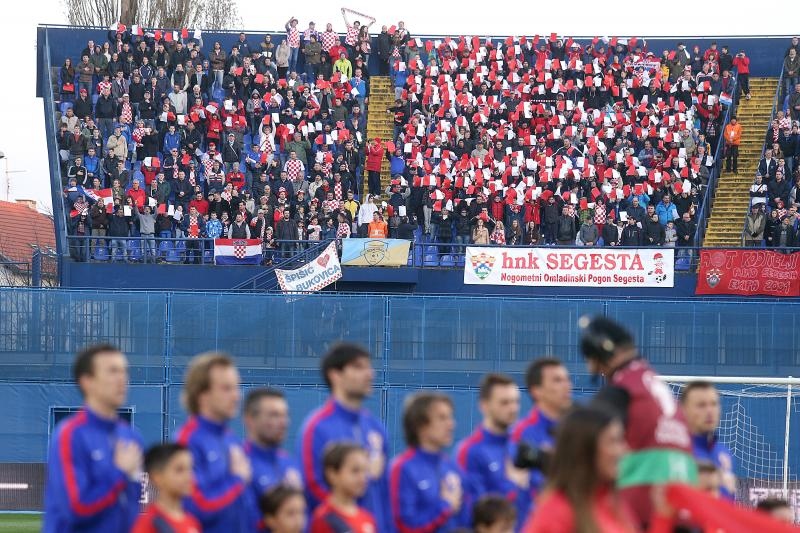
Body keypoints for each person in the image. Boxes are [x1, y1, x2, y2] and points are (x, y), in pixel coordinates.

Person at [579, 316, 697, 527]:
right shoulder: (657, 388)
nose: (600, 374)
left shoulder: (622, 391)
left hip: (641, 508)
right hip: (684, 506)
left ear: (604, 353)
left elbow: (586, 448)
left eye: (599, 367)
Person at [521, 405, 673, 532]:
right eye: (613, 441)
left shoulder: (614, 504)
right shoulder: (556, 512)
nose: (623, 450)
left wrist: (662, 517)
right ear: (584, 449)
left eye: (621, 441)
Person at [43, 344, 143, 533]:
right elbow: (76, 508)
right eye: (112, 371)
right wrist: (119, 472)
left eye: (124, 371)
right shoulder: (70, 436)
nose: (122, 379)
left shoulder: (132, 437)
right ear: (87, 381)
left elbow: (131, 506)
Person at [298, 343, 391, 533]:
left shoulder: (376, 428)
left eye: (369, 367)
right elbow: (313, 488)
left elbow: (384, 494)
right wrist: (349, 524)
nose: (369, 374)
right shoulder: (317, 428)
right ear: (335, 375)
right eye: (358, 367)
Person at [176, 352, 253, 533]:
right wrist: (237, 481)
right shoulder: (188, 441)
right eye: (227, 388)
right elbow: (195, 507)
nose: (236, 396)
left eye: (237, 387)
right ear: (202, 395)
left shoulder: (230, 439)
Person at [390, 392, 470, 532]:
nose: (451, 424)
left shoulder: (451, 468)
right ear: (420, 425)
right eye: (442, 418)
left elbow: (465, 520)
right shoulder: (402, 468)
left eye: (450, 417)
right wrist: (444, 507)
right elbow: (404, 525)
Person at [510, 358, 573, 521]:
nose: (567, 386)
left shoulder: (578, 430)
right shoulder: (521, 433)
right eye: (557, 380)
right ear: (536, 391)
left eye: (567, 379)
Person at [456, 374, 528, 513]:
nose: (513, 408)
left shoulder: (520, 447)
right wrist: (513, 486)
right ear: (484, 405)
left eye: (516, 402)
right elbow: (475, 512)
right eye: (504, 402)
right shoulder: (470, 451)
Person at [244, 387, 303, 527]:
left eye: (285, 415)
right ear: (250, 419)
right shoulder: (239, 464)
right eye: (274, 415)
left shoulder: (290, 464)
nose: (283, 423)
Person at [680, 381, 736, 501]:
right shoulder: (675, 454)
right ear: (683, 410)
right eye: (701, 405)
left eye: (714, 404)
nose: (710, 411)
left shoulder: (724, 453)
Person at [309, 443, 378, 533]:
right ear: (332, 474)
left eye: (365, 471)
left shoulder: (368, 518)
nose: (362, 478)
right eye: (355, 471)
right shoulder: (324, 518)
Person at [132, 443, 201, 533]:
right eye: (179, 470)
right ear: (157, 478)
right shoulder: (148, 523)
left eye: (191, 469)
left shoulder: (192, 522)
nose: (189, 476)